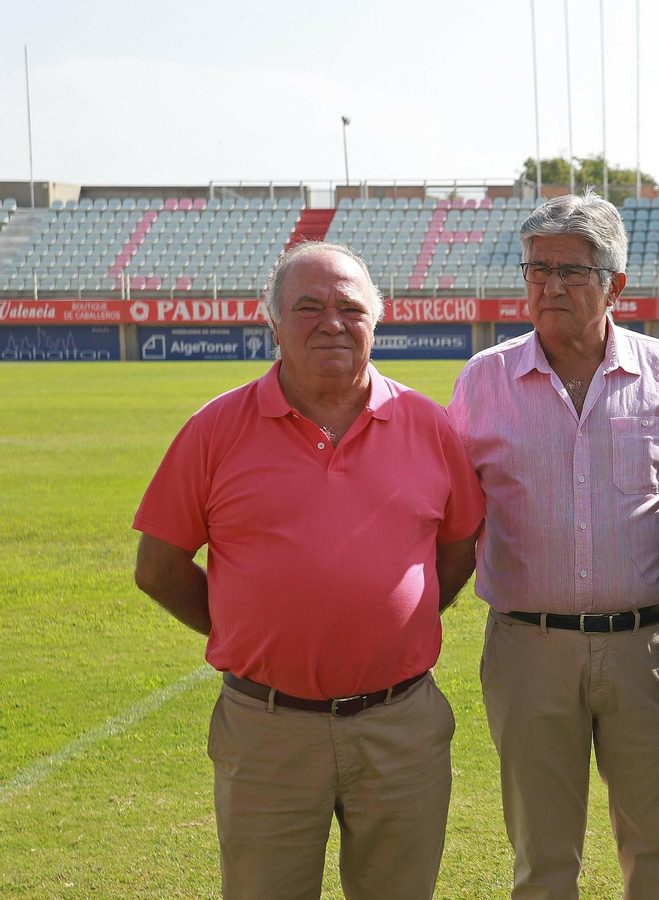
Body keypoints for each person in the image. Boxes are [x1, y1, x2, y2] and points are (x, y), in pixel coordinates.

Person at [131, 242, 484, 900]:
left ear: (376, 322)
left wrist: (401, 619)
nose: (332, 323)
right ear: (273, 324)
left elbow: (459, 546)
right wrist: (244, 629)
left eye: (350, 308)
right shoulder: (215, 429)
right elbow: (157, 567)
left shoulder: (429, 425)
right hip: (268, 730)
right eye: (309, 307)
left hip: (401, 726)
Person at [447, 190, 659, 900]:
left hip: (647, 649)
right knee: (542, 857)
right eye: (538, 269)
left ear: (615, 283)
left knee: (656, 851)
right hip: (528, 650)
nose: (551, 285)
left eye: (571, 271)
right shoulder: (484, 380)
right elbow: (451, 516)